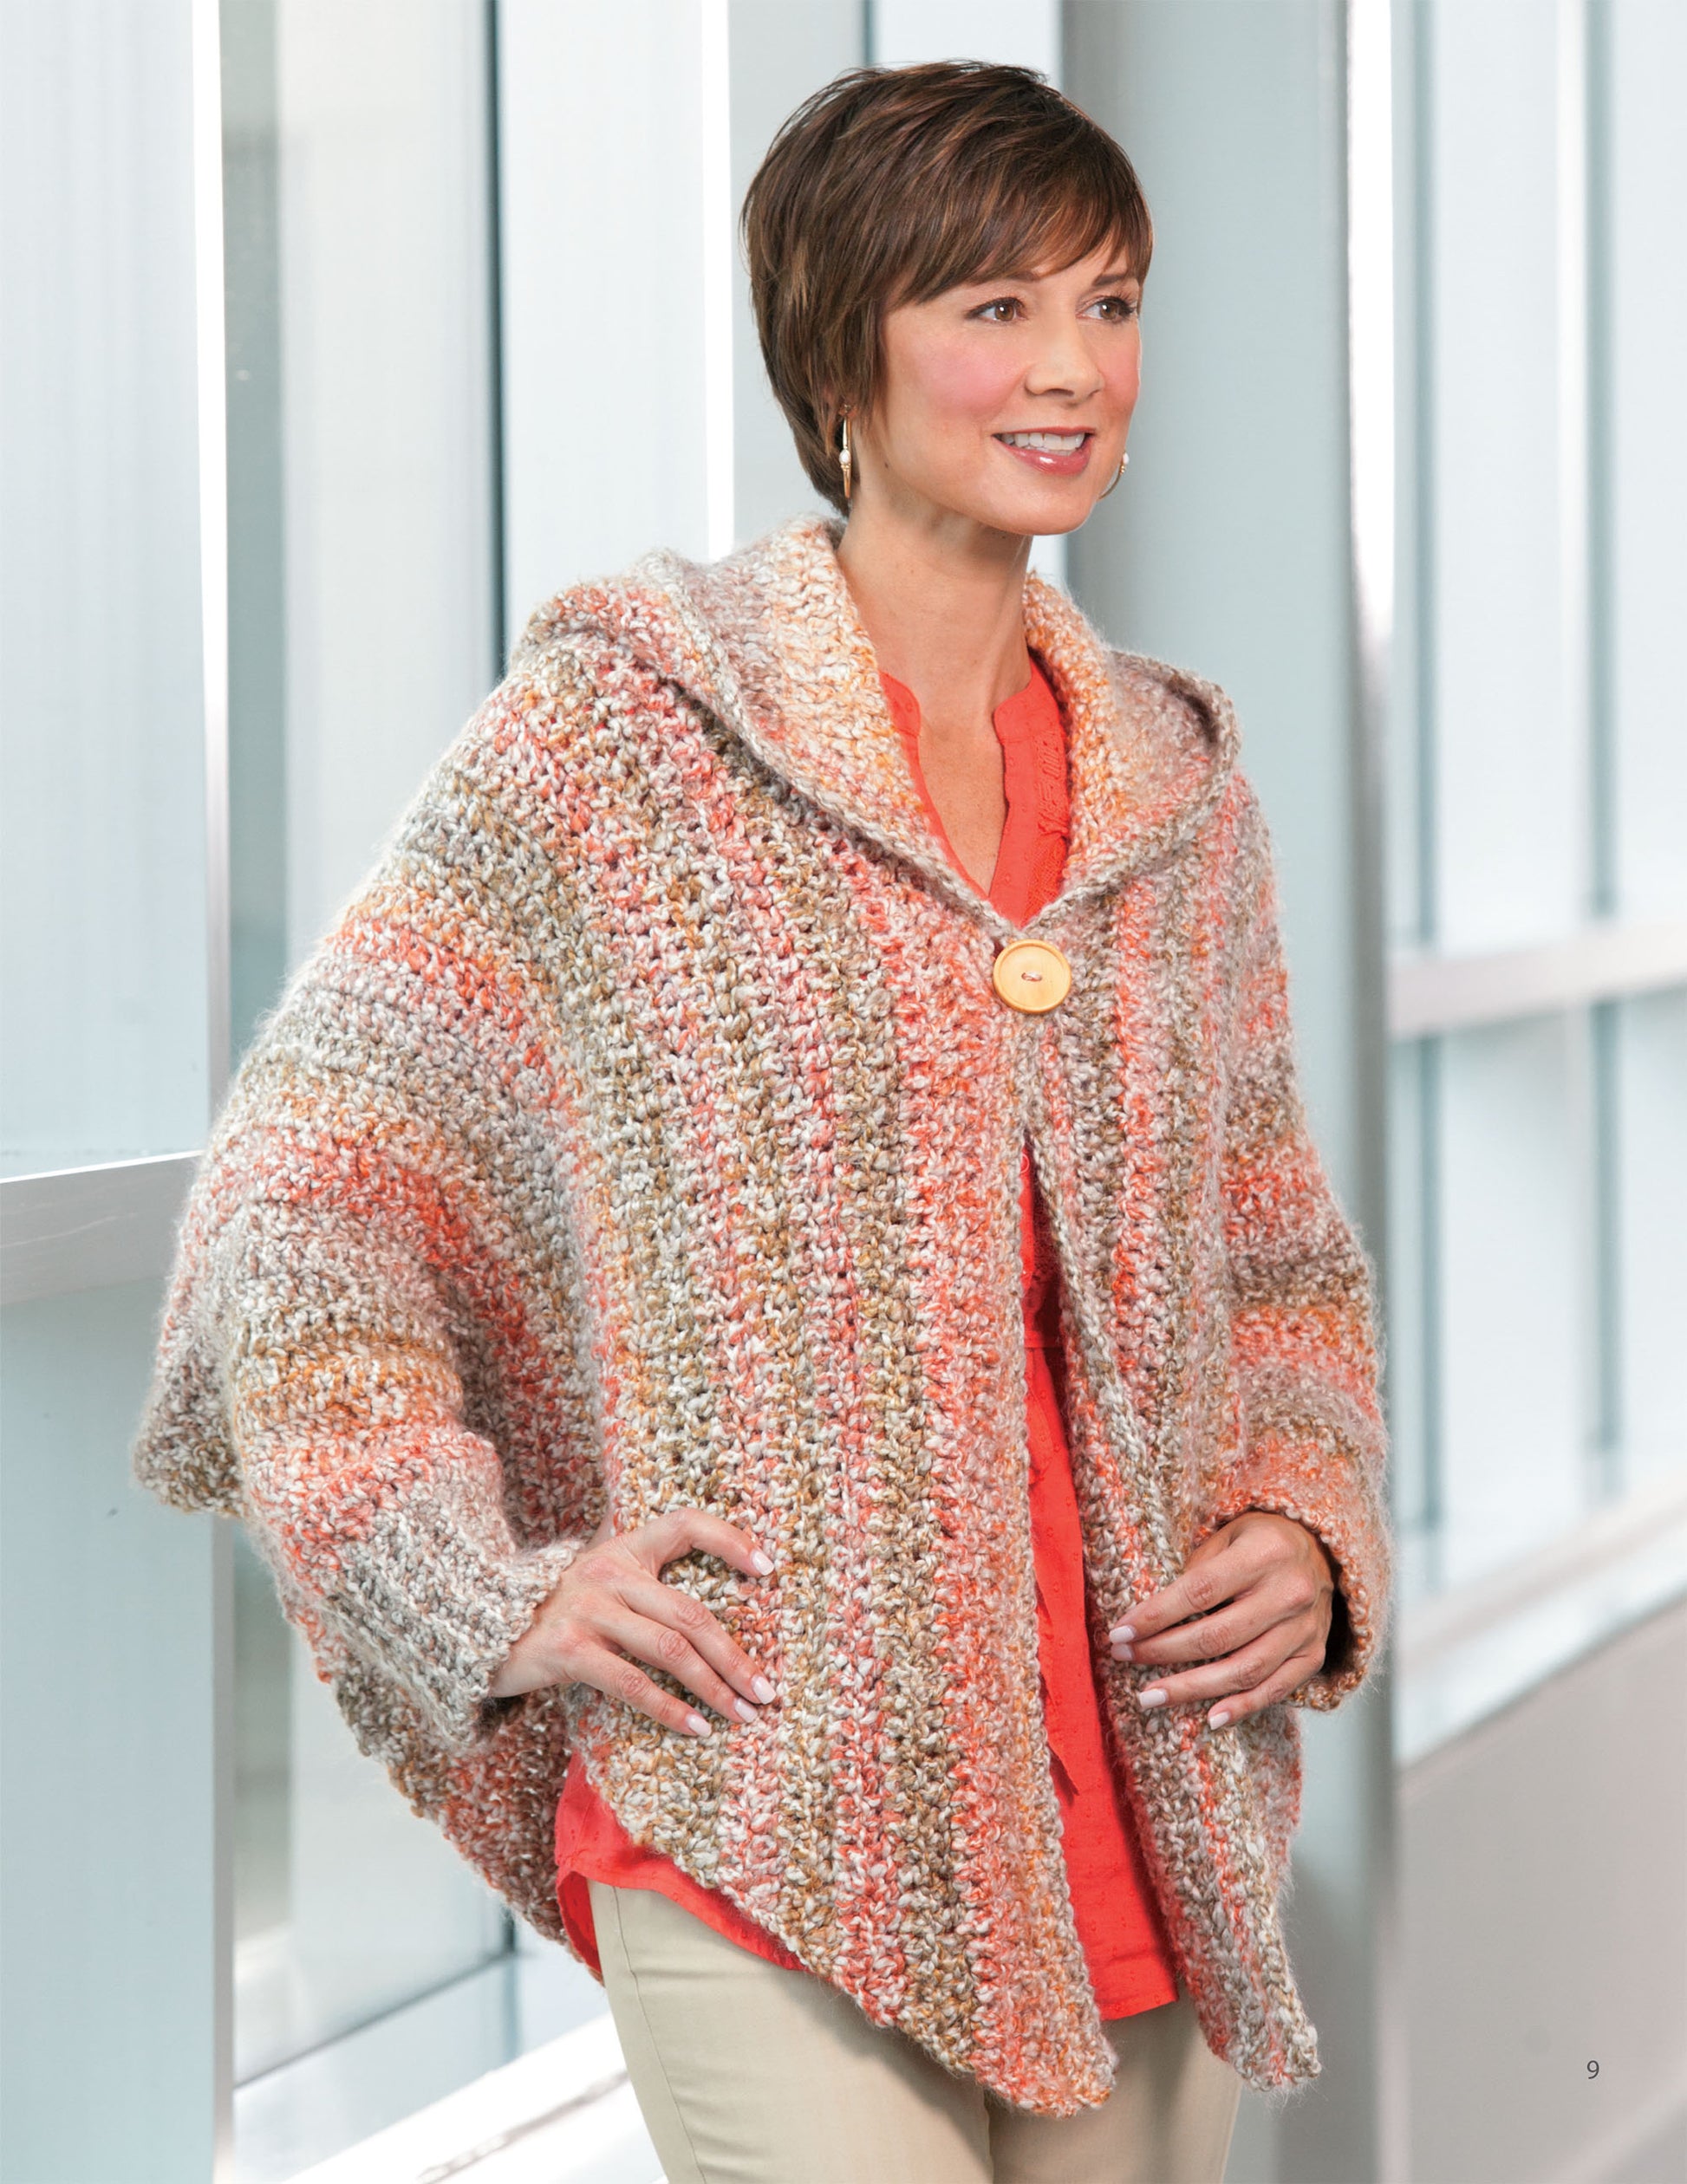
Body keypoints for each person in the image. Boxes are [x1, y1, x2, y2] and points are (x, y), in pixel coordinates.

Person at [135, 60, 1390, 2184]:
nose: (1070, 368)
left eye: (1108, 301)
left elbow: (1275, 1257)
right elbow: (300, 1197)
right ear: (840, 342)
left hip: (1141, 1790)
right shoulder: (631, 741)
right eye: (992, 309)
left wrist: (1302, 1531)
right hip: (773, 1791)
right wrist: (472, 1583)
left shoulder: (1181, 790)